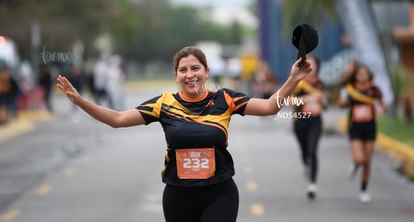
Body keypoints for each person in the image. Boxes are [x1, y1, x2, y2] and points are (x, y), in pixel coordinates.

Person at [57, 46, 311, 222]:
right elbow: (118, 119)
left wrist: (293, 80)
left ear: (207, 72)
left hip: (219, 192)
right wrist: (80, 102)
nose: (190, 75)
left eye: (195, 68)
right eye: (183, 70)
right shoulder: (164, 103)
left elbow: (268, 107)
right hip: (178, 195)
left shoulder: (225, 98)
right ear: (176, 75)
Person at [338, 63, 385, 203]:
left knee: (367, 161)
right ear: (355, 76)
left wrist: (380, 110)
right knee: (359, 159)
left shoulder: (374, 89)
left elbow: (382, 104)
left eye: (365, 73)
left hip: (370, 127)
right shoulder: (349, 89)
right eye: (360, 74)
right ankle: (355, 165)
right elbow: (341, 103)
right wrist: (345, 102)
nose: (362, 76)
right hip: (355, 127)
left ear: (369, 75)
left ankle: (364, 189)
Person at [292, 55, 325, 200]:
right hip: (300, 120)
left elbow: (325, 104)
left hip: (315, 121)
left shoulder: (320, 84)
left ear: (317, 66)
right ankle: (306, 164)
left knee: (313, 150)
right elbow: (289, 101)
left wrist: (324, 102)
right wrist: (307, 99)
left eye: (313, 64)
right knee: (305, 152)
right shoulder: (299, 83)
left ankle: (312, 184)